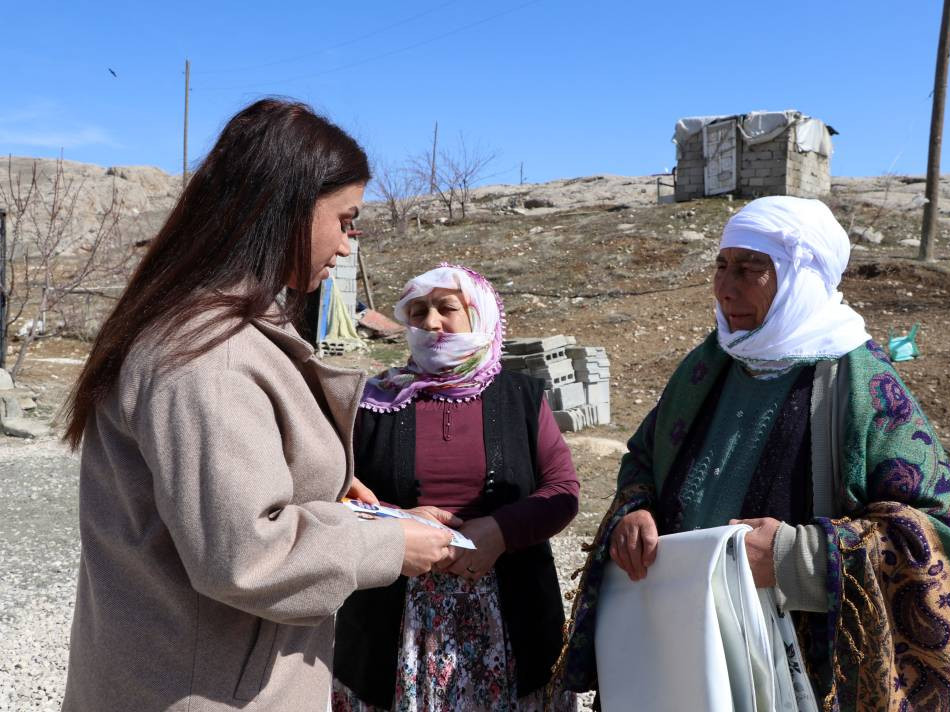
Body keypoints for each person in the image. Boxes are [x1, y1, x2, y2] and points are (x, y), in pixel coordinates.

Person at [60, 99, 455, 712]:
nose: (349, 246)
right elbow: (245, 555)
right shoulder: (205, 356)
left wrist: (325, 490)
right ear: (290, 210)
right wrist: (387, 546)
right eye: (346, 221)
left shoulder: (220, 327)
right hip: (205, 691)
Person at [560, 196, 950, 711]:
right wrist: (638, 511)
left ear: (802, 276)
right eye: (722, 266)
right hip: (684, 640)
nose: (726, 287)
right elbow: (643, 459)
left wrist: (797, 558)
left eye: (751, 268)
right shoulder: (708, 365)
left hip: (799, 670)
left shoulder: (861, 386)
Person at [332, 264, 579, 712]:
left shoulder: (521, 397)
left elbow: (562, 489)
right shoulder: (373, 401)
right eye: (418, 311)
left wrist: (500, 532)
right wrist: (399, 524)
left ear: (478, 316)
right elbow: (339, 492)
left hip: (511, 616)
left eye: (447, 308)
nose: (431, 323)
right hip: (395, 622)